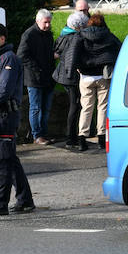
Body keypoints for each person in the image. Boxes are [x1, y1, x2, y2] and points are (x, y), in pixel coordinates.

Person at [0, 23, 34, 215]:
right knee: (10, 160)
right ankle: (25, 199)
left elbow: (4, 90)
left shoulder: (8, 59)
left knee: (2, 161)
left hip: (4, 115)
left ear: (2, 39)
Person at [73, 10, 122, 152]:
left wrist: (76, 68)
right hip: (103, 76)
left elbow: (74, 54)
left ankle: (82, 138)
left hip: (86, 77)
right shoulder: (108, 36)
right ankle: (101, 138)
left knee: (86, 107)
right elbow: (119, 50)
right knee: (102, 107)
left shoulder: (81, 35)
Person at [17, 9, 57, 145]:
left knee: (46, 108)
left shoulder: (48, 35)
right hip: (34, 78)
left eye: (49, 22)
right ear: (38, 21)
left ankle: (43, 134)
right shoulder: (29, 35)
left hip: (48, 77)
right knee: (35, 108)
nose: (47, 25)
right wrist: (37, 68)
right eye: (45, 22)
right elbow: (21, 56)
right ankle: (37, 135)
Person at [55, 10, 89, 151]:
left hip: (62, 75)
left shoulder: (64, 34)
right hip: (70, 76)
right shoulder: (75, 38)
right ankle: (71, 137)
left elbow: (57, 52)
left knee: (74, 106)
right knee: (75, 106)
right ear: (79, 26)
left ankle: (72, 137)